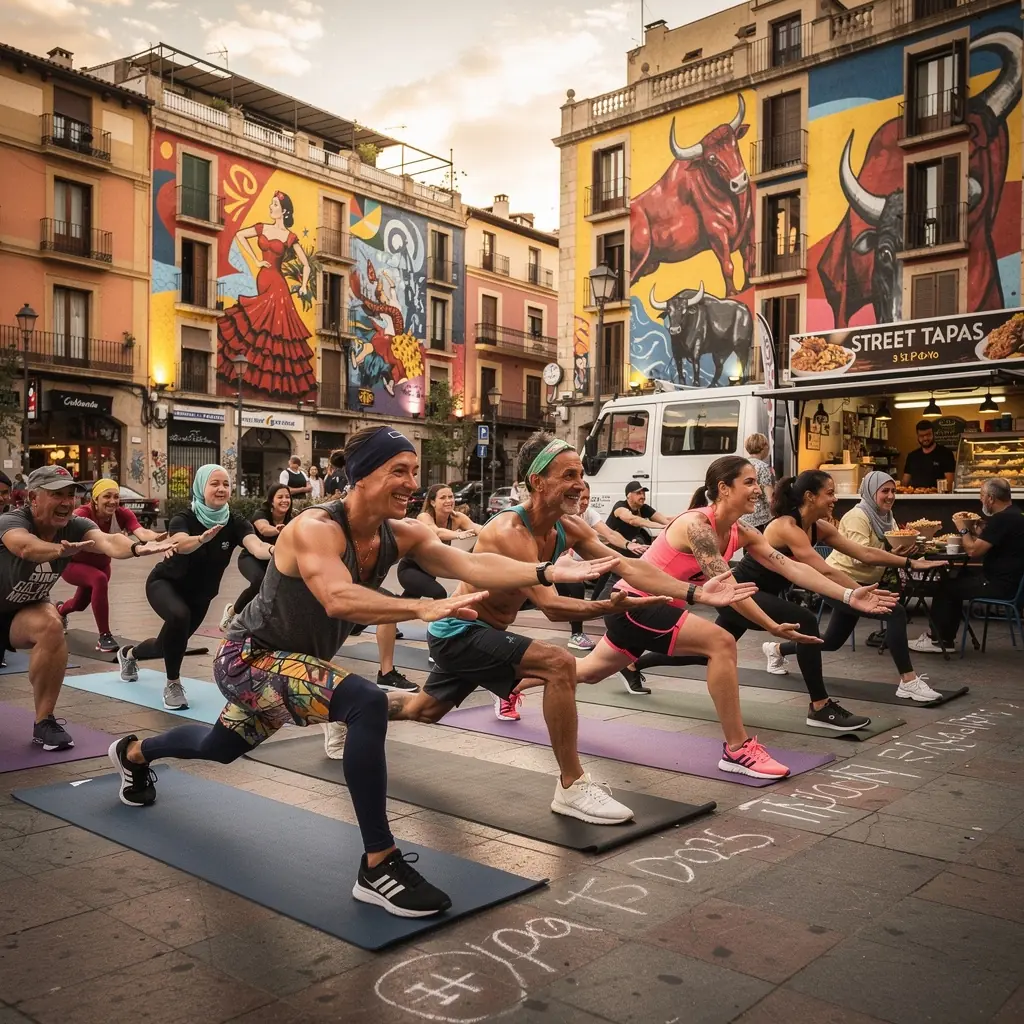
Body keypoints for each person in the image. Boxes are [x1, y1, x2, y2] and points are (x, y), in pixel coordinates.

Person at [108, 426, 627, 917]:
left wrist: (546, 571)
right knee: (365, 701)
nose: (412, 483)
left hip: (296, 668)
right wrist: (417, 609)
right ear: (362, 475)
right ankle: (379, 864)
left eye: (414, 470)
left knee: (216, 749)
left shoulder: (399, 533)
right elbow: (337, 598)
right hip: (249, 659)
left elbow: (470, 565)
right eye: (399, 470)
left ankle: (131, 752)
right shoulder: (314, 527)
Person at [388, 432, 761, 803]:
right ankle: (572, 786)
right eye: (568, 476)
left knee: (422, 710)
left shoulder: (567, 527)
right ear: (537, 482)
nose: (579, 485)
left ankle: (349, 710)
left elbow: (628, 566)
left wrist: (695, 593)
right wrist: (607, 608)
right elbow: (551, 606)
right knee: (558, 663)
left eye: (581, 475)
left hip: (483, 631)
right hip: (459, 630)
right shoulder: (510, 531)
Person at [577, 457, 898, 769]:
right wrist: (772, 625)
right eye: (749, 482)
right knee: (720, 643)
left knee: (587, 673)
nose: (758, 489)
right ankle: (737, 750)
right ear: (724, 488)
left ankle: (525, 675)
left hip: (645, 610)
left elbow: (791, 568)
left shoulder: (740, 530)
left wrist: (848, 593)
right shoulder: (698, 526)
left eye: (757, 482)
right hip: (632, 605)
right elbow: (728, 590)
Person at [0, 466, 173, 750]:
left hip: (22, 611)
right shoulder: (12, 520)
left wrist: (136, 549)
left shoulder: (74, 525)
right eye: (57, 495)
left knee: (52, 625)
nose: (67, 502)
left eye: (71, 495)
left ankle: (44, 722)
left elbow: (107, 540)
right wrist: (58, 550)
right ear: (33, 497)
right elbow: (25, 548)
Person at [742, 470, 944, 706]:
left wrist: (911, 562)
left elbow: (865, 553)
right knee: (893, 611)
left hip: (809, 586)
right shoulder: (786, 526)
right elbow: (824, 570)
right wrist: (861, 593)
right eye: (830, 493)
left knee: (832, 641)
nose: (835, 499)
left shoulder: (819, 527)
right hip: (751, 587)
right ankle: (907, 682)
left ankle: (776, 650)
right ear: (809, 497)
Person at [116, 464, 274, 712]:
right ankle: (173, 684)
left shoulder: (235, 521)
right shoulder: (184, 518)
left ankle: (129, 654)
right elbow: (179, 544)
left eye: (225, 484)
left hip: (201, 596)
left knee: (165, 644)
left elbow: (255, 546)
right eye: (214, 484)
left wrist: (274, 550)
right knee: (179, 616)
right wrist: (201, 539)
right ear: (201, 487)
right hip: (165, 584)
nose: (221, 489)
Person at [216, 190, 316, 399]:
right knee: (259, 324)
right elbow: (240, 235)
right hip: (264, 276)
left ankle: (271, 382)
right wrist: (255, 259)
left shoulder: (290, 236)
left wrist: (305, 285)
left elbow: (306, 265)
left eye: (275, 205)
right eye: (270, 204)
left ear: (284, 211)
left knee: (274, 331)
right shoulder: (262, 227)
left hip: (278, 286)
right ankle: (251, 373)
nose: (271, 208)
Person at [910, 477, 1024, 652]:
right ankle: (945, 635)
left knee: (947, 586)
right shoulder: (1016, 514)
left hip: (998, 585)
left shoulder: (1001, 520)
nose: (980, 499)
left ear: (991, 498)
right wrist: (978, 532)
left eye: (982, 495)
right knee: (957, 578)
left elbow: (973, 551)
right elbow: (988, 543)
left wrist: (962, 528)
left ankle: (939, 640)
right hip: (1014, 584)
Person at [57, 479, 168, 651]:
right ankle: (105, 636)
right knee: (98, 579)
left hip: (101, 565)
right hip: (73, 564)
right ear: (95, 499)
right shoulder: (82, 514)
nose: (112, 501)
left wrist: (158, 538)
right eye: (106, 496)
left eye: (116, 496)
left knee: (79, 604)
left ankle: (60, 610)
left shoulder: (123, 514)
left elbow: (141, 532)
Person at [561, 481, 645, 652]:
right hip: (552, 565)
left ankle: (580, 620)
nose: (584, 502)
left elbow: (610, 534)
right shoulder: (564, 515)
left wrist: (628, 545)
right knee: (572, 591)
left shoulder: (589, 514)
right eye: (580, 498)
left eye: (587, 498)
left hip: (579, 564)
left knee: (606, 568)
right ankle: (576, 631)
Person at [221, 483, 295, 628]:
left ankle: (268, 623)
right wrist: (276, 530)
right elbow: (264, 529)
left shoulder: (292, 520)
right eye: (280, 497)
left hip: (275, 560)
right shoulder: (260, 514)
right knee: (260, 581)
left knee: (284, 587)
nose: (284, 500)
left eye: (287, 497)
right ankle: (231, 612)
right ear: (271, 501)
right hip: (251, 558)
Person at [398, 484, 481, 601]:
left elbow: (475, 527)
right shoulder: (424, 517)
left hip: (429, 572)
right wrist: (458, 534)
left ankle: (385, 615)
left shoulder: (457, 518)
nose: (448, 501)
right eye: (443, 498)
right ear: (433, 502)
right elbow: (436, 532)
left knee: (405, 603)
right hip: (410, 570)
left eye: (450, 497)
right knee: (439, 594)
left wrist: (494, 532)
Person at [605, 481, 671, 545]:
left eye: (643, 493)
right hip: (611, 543)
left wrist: (671, 524)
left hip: (627, 543)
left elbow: (664, 520)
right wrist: (660, 526)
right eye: (639, 493)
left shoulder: (643, 508)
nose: (643, 496)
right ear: (629, 495)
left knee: (643, 540)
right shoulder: (620, 506)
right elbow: (632, 520)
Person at [902, 420, 956, 491]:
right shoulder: (912, 456)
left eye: (928, 435)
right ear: (917, 436)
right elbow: (905, 482)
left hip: (938, 499)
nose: (925, 438)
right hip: (915, 499)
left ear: (933, 434)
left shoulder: (946, 454)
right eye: (921, 436)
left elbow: (950, 482)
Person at [741, 432, 775, 530]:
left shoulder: (741, 465)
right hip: (761, 519)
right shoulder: (763, 467)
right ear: (764, 447)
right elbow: (770, 498)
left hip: (743, 517)